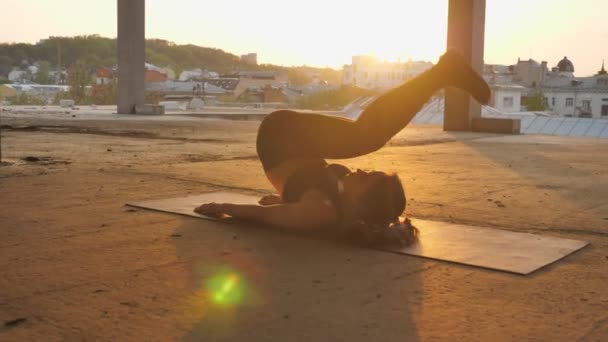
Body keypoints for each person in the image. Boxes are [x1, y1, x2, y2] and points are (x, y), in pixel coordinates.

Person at [195, 50, 490, 246]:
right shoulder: (343, 205)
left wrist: (222, 207)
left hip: (281, 138)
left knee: (367, 137)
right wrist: (281, 199)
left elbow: (266, 218)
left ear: (361, 201)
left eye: (367, 177)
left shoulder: (320, 212)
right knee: (366, 136)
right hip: (299, 144)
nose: (361, 169)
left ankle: (440, 74)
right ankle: (439, 75)